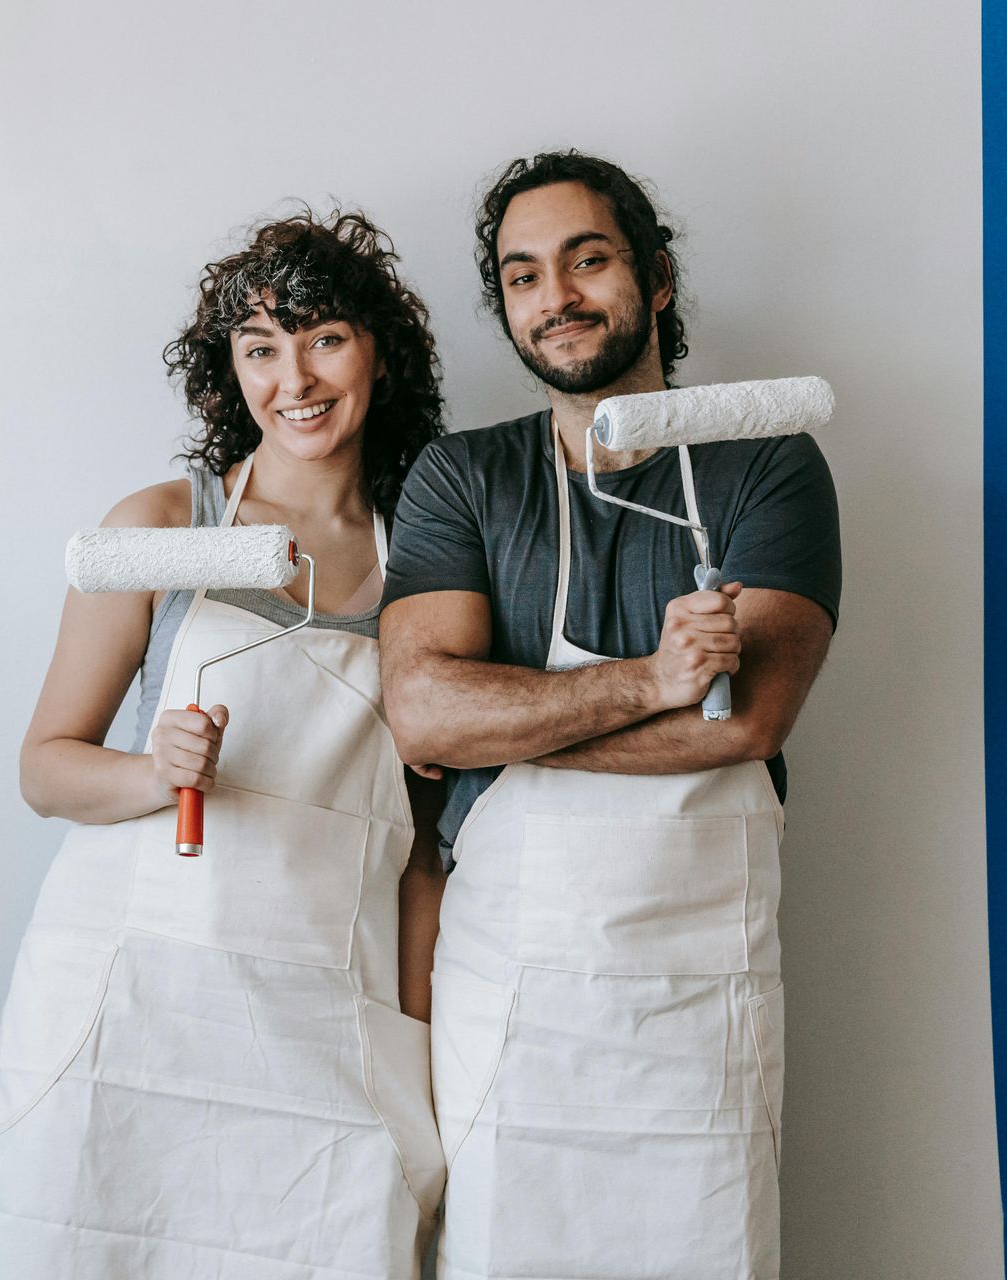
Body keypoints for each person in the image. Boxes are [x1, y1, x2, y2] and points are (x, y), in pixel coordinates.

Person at [0, 210, 451, 1278]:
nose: (295, 378)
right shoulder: (163, 524)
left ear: (378, 350)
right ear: (230, 371)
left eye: (323, 338)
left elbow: (420, 854)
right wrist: (151, 770)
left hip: (323, 1025)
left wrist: (418, 1056)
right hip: (129, 1015)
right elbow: (44, 763)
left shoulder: (428, 555)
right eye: (260, 347)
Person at [379, 152, 841, 1279]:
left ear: (657, 275)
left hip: (700, 995)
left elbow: (745, 724)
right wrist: (649, 680)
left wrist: (521, 720)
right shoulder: (463, 477)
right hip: (512, 982)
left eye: (588, 258)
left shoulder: (766, 461)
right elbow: (424, 713)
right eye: (525, 274)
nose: (559, 295)